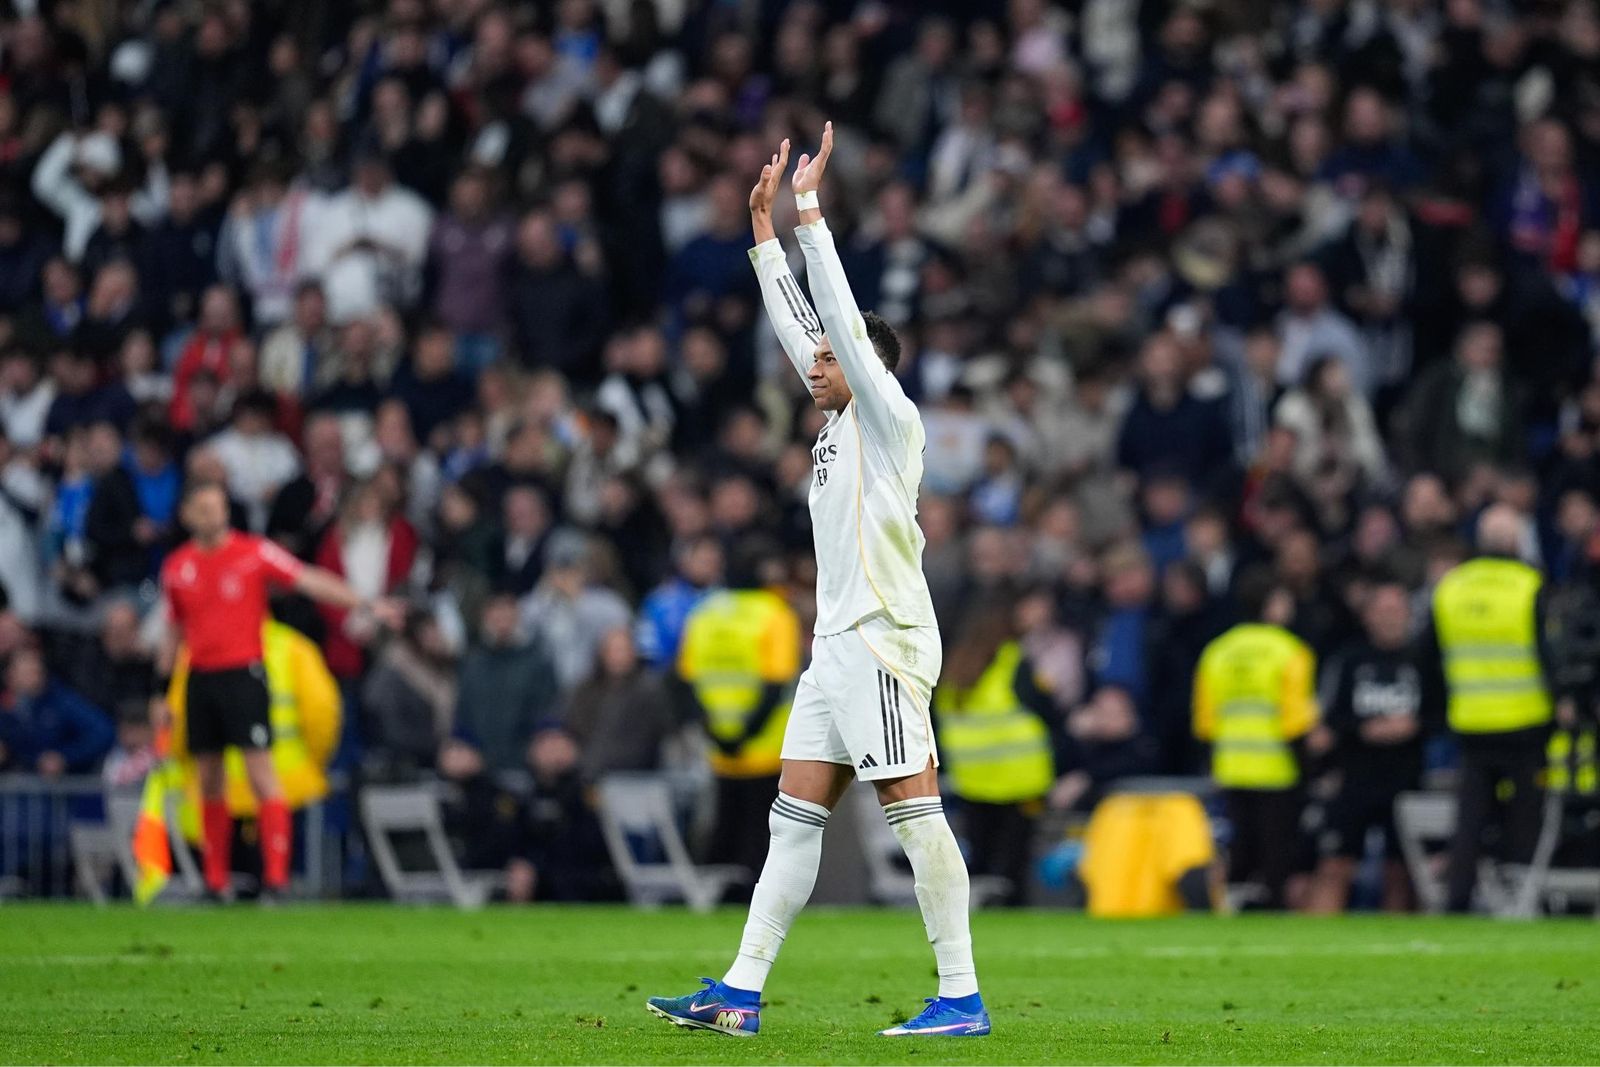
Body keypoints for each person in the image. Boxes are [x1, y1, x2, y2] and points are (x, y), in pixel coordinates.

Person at [648, 126, 989, 1039]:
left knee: (915, 818)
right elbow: (807, 327)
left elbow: (833, 322)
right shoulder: (839, 418)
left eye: (831, 360)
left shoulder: (888, 419)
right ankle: (739, 991)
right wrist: (762, 236)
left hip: (882, 637)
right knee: (792, 822)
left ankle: (961, 994)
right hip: (833, 648)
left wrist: (810, 217)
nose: (815, 367)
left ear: (866, 364)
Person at [158, 481, 402, 900]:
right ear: (187, 516)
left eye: (218, 507)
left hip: (243, 674)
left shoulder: (253, 553)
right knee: (209, 779)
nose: (213, 516)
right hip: (201, 677)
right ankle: (215, 882)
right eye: (203, 508)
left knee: (261, 774)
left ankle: (277, 879)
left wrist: (364, 603)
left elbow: (308, 579)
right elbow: (173, 631)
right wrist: (161, 692)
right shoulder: (178, 567)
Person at [1425, 504, 1556, 913]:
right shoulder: (1530, 584)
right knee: (1524, 813)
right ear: (1515, 540)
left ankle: (1457, 897)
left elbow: (1428, 659)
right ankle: (1518, 897)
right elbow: (1550, 653)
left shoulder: (1450, 588)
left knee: (1471, 815)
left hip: (1470, 719)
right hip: (1526, 719)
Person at [1193, 569, 1319, 909]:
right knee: (1277, 855)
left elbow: (1205, 724)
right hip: (1277, 769)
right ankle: (1275, 912)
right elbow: (1296, 722)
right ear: (1271, 606)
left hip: (1231, 767)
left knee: (1240, 851)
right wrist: (1309, 771)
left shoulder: (1217, 652)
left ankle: (1233, 909)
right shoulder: (1290, 652)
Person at [1307, 579, 1435, 913]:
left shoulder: (1423, 661)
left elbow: (1441, 713)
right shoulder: (1349, 660)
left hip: (1405, 778)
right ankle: (1314, 942)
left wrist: (1414, 725)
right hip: (1355, 778)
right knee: (1335, 865)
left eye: (1396, 610)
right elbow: (1328, 718)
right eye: (1383, 610)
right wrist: (1365, 729)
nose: (1390, 617)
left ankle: (1394, 948)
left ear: (1409, 615)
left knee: (1400, 871)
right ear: (1368, 616)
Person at [676, 540, 801, 878]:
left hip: (718, 745)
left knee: (723, 832)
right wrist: (747, 733)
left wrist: (715, 734)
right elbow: (775, 686)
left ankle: (713, 902)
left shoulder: (704, 613)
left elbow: (687, 685)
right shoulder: (776, 615)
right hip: (765, 748)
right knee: (762, 839)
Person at [933, 602, 1056, 906]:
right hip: (1020, 780)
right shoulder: (1013, 663)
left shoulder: (952, 671)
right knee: (1013, 866)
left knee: (981, 863)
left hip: (971, 780)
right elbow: (1047, 711)